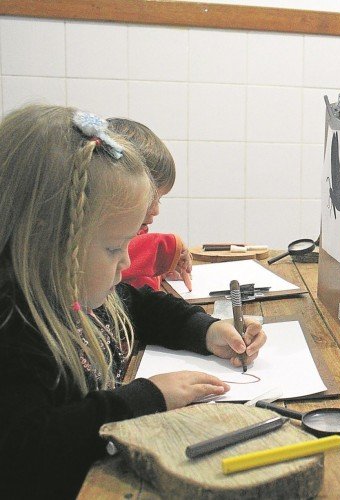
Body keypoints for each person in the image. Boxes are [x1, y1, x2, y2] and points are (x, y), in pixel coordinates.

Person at [0, 105, 266, 497]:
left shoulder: (72, 293)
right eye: (113, 247)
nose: (126, 262)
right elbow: (29, 451)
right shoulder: (14, 330)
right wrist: (145, 398)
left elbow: (139, 306)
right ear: (47, 239)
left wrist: (207, 331)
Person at [108, 118, 193, 291]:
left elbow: (132, 274)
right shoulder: (101, 245)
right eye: (149, 199)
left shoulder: (137, 232)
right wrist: (165, 250)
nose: (156, 210)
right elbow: (115, 258)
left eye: (158, 199)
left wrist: (160, 271)